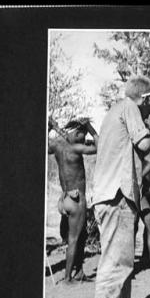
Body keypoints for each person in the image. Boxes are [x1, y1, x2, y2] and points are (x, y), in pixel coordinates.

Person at [91, 75, 150, 298]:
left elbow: (139, 150)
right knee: (115, 261)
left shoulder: (115, 111)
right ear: (145, 98)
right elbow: (145, 144)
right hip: (116, 195)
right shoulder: (130, 108)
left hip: (113, 194)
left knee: (122, 260)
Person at [48, 116, 99, 284]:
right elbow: (100, 147)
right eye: (83, 134)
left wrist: (51, 127)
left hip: (64, 199)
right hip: (77, 199)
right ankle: (68, 278)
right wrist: (90, 128)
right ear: (77, 133)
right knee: (74, 239)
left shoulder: (56, 145)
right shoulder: (77, 148)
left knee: (81, 235)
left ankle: (79, 272)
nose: (85, 138)